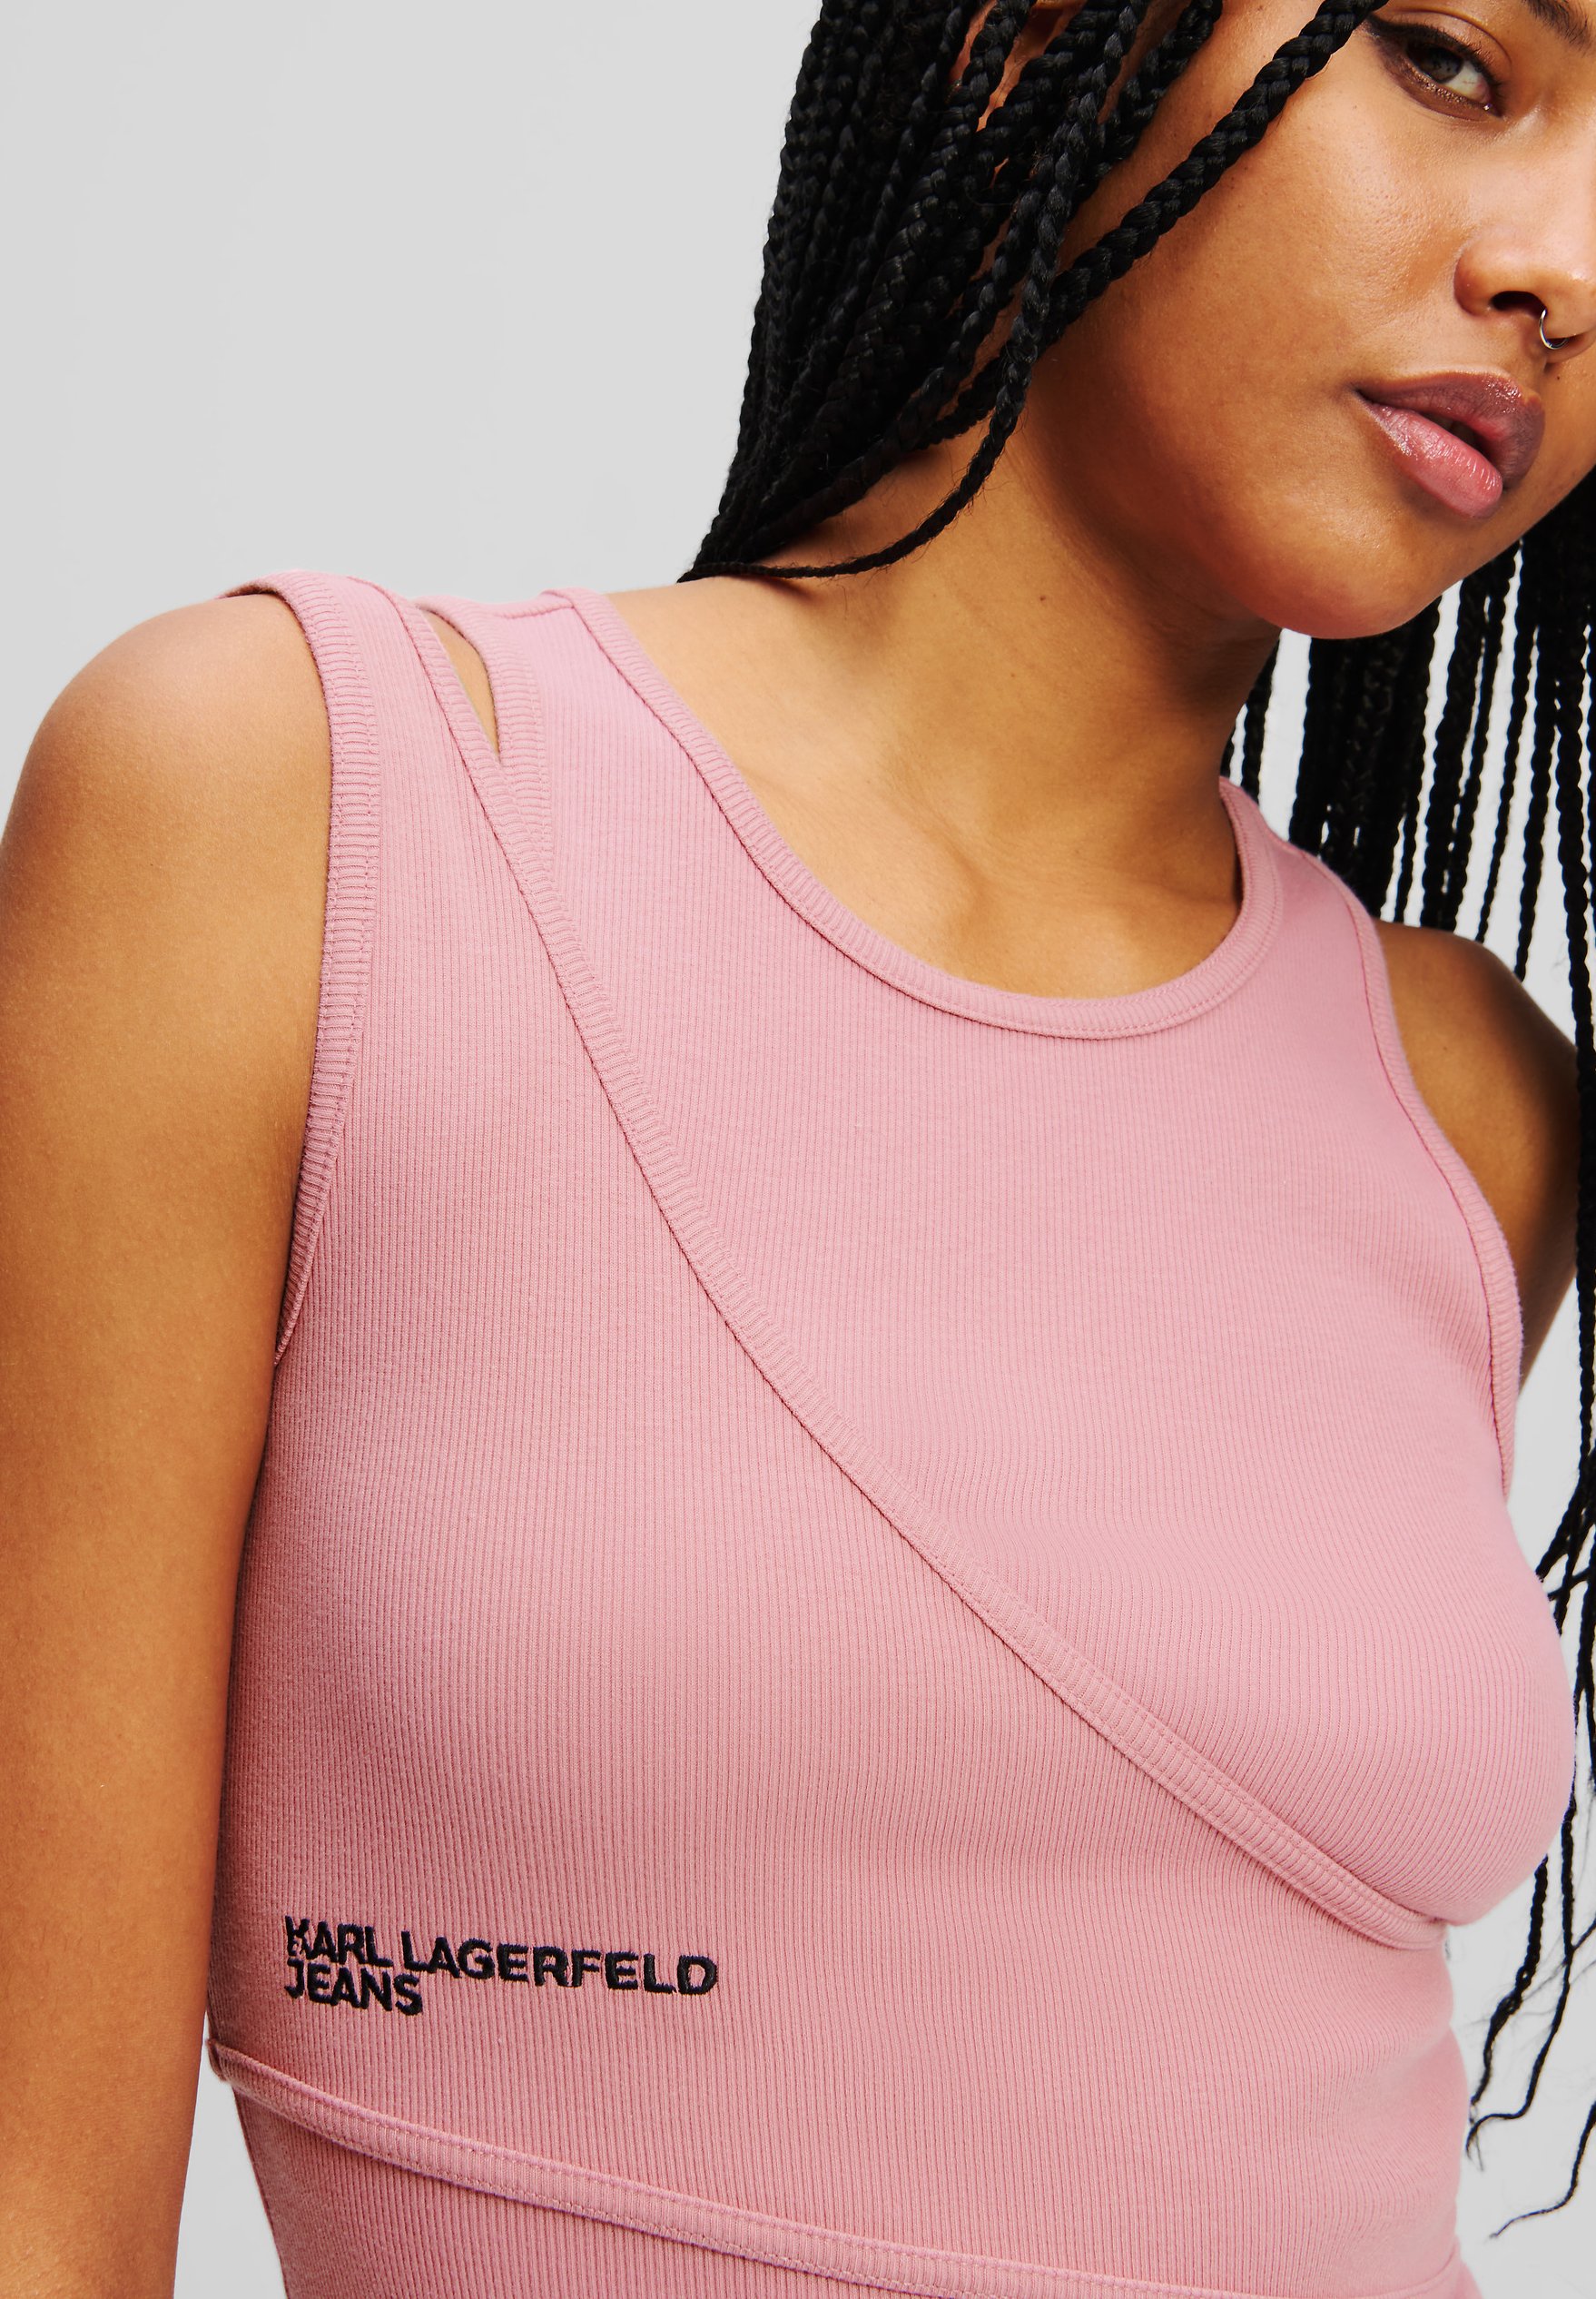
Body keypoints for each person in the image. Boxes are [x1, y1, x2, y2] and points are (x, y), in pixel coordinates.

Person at [3, 3, 1592, 2294]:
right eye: (1451, 60)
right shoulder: (307, 814)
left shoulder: (1466, 1106)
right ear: (1023, 41)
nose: (1565, 267)